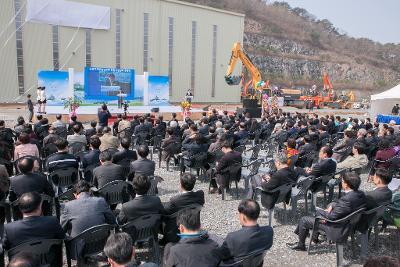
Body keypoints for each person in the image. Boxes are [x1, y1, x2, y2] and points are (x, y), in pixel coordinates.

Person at [287, 172, 366, 251]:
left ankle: (301, 245)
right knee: (326, 209)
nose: (341, 183)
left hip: (337, 227)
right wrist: (332, 205)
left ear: (346, 184)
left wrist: (320, 212)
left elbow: (332, 217)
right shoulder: (360, 194)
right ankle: (314, 237)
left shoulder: (347, 199)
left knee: (304, 219)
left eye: (342, 181)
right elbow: (342, 204)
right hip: (349, 223)